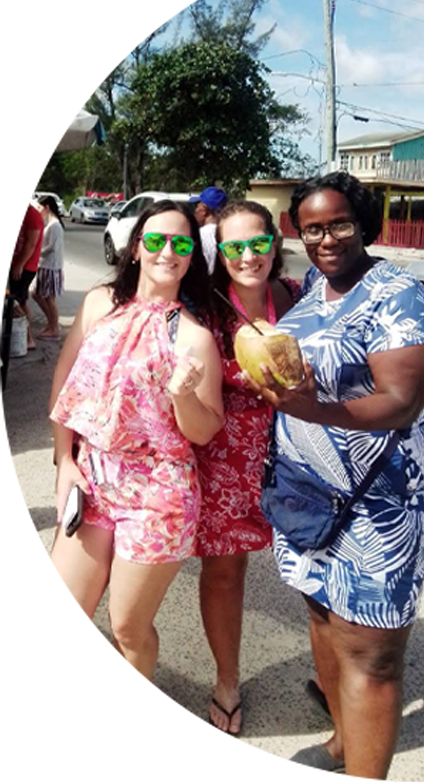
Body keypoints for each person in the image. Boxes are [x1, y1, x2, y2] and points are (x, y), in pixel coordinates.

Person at [0, 200, 223, 782]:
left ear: (192, 257)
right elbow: (65, 380)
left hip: (160, 490)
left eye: (181, 244)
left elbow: (204, 430)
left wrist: (182, 394)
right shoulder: (100, 303)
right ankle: (44, 758)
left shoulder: (196, 336)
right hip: (93, 477)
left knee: (127, 624)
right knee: (56, 621)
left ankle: (129, 713)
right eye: (157, 240)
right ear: (135, 247)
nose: (167, 252)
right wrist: (63, 461)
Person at [245, 171, 423, 782]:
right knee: (321, 615)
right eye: (313, 227)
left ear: (364, 224)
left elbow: (401, 400)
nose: (326, 238)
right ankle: (344, 742)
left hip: (376, 504)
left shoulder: (398, 293)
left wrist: (310, 409)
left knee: (370, 654)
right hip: (307, 494)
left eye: (340, 224)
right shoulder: (314, 289)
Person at [193, 200, 301, 736]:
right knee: (226, 571)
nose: (247, 256)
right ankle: (228, 680)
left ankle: (334, 675)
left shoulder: (297, 298)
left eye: (257, 243)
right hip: (227, 461)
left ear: (274, 243)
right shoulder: (206, 307)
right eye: (234, 246)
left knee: (314, 567)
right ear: (221, 250)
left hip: (296, 455)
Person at [5, 174, 44, 351]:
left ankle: (29, 338)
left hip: (26, 267)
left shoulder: (33, 216)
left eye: (12, 192)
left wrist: (20, 265)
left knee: (20, 301)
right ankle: (21, 335)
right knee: (16, 300)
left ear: (21, 193)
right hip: (13, 264)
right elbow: (16, 242)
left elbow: (31, 244)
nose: (9, 195)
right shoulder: (18, 217)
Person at [32, 195, 65, 340]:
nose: (38, 210)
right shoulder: (51, 224)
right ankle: (52, 323)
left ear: (47, 208)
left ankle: (54, 327)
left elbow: (51, 247)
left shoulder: (55, 225)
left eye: (39, 207)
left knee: (49, 298)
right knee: (37, 294)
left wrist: (36, 251)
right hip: (45, 265)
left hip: (50, 266)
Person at [190, 186, 228, 273]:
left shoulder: (199, 236)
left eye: (197, 206)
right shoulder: (228, 234)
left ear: (204, 210)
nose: (195, 211)